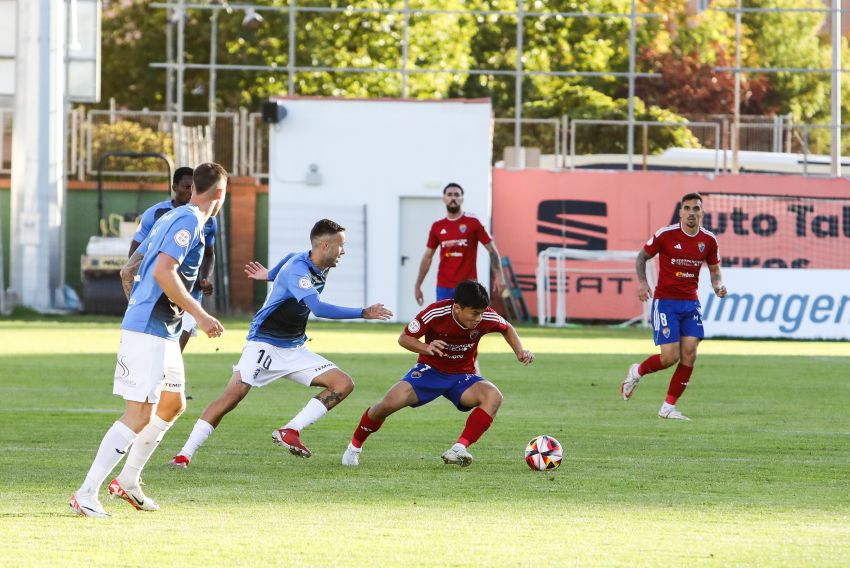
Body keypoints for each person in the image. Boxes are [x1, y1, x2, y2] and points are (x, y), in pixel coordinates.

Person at [69, 162, 228, 517]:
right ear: (220, 193)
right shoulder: (187, 221)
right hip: (150, 329)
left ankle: (128, 481)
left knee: (172, 403)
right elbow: (161, 270)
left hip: (163, 329)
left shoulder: (175, 218)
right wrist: (199, 315)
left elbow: (133, 267)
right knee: (139, 413)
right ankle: (86, 492)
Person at [168, 219, 393, 468]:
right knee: (232, 397)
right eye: (341, 246)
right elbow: (317, 307)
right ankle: (183, 455)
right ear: (325, 245)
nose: (344, 251)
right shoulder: (299, 270)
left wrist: (270, 275)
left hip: (294, 348)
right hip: (264, 344)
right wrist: (363, 312)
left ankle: (291, 430)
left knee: (343, 384)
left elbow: (289, 256)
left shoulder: (313, 262)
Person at [341, 280, 534, 468]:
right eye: (474, 313)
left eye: (482, 313)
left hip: (462, 377)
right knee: (386, 405)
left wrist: (520, 351)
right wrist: (426, 347)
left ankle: (458, 449)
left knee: (493, 396)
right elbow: (404, 338)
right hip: (430, 372)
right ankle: (354, 447)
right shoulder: (436, 313)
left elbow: (507, 327)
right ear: (458, 308)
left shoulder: (486, 317)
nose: (479, 319)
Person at [620, 192, 727, 420]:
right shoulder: (666, 235)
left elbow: (715, 272)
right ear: (680, 212)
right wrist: (642, 283)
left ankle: (667, 408)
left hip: (690, 303)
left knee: (689, 353)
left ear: (702, 213)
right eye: (687, 208)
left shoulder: (709, 241)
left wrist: (718, 287)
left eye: (696, 209)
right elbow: (641, 257)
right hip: (666, 303)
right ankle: (636, 371)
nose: (691, 213)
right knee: (669, 357)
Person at [122, 166, 218, 352]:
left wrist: (205, 278)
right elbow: (134, 256)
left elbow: (208, 254)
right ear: (174, 186)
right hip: (159, 296)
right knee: (164, 356)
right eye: (185, 186)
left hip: (190, 297)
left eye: (193, 187)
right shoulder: (157, 214)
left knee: (174, 355)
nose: (189, 191)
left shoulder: (208, 220)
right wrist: (141, 290)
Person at [414, 182, 505, 306]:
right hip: (444, 286)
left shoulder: (473, 222)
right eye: (449, 195)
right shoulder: (437, 226)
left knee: (469, 324)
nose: (453, 198)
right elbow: (427, 257)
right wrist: (418, 284)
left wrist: (499, 276)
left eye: (457, 195)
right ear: (444, 198)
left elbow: (492, 251)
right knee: (444, 324)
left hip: (468, 286)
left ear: (462, 199)